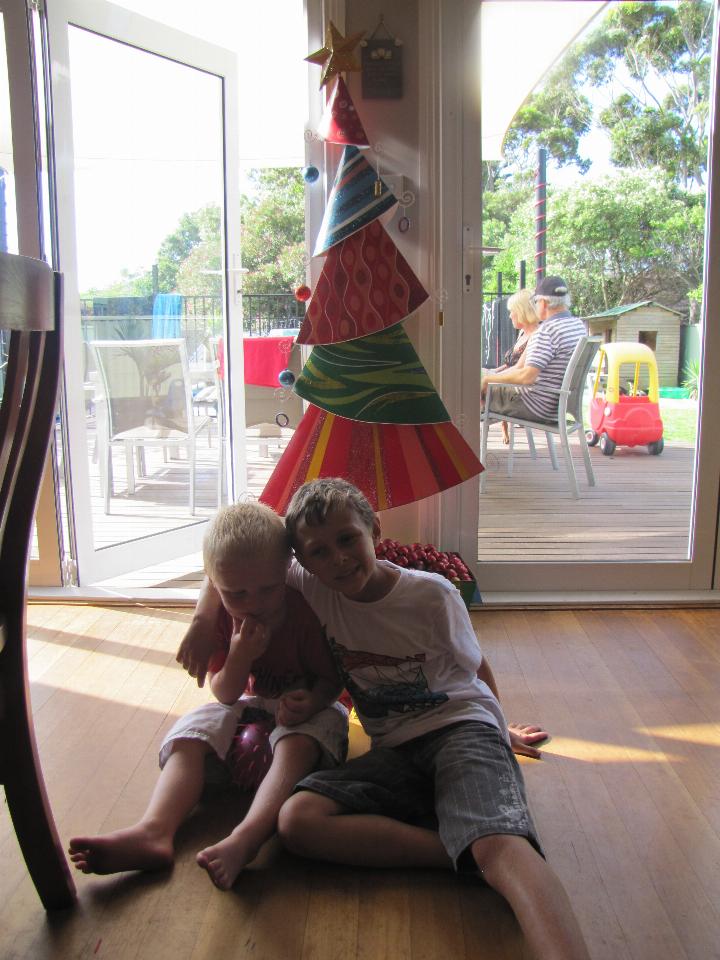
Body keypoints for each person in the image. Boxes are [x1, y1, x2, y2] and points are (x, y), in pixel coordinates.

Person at [178, 480, 587, 958]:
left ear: (374, 529)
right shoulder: (310, 585)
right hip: (393, 748)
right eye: (319, 551)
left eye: (348, 539)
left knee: (501, 844)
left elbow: (474, 666)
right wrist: (204, 619)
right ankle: (461, 848)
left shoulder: (432, 596)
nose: (338, 559)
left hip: (460, 729)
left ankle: (490, 850)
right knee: (296, 822)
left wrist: (499, 727)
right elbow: (231, 563)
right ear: (302, 562)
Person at [68, 502, 346, 891]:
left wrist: (312, 701)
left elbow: (332, 680)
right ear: (215, 586)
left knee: (297, 743)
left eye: (268, 589)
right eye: (238, 594)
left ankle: (247, 836)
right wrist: (240, 654)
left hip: (311, 712)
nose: (255, 604)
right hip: (251, 706)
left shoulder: (301, 611)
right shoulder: (223, 617)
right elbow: (227, 694)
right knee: (194, 727)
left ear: (285, 571)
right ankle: (154, 830)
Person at [481, 275, 587, 425]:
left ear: (543, 303)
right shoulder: (578, 326)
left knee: (468, 389)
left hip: (534, 406)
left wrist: (488, 379)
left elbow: (527, 377)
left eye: (535, 302)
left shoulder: (547, 331)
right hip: (555, 406)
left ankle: (458, 444)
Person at [481, 288, 540, 442]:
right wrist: (492, 373)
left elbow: (521, 371)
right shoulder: (524, 334)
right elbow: (512, 365)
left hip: (521, 393)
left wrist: (490, 377)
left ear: (522, 311)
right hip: (513, 384)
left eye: (512, 311)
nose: (510, 315)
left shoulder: (537, 336)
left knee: (473, 384)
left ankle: (471, 422)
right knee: (477, 375)